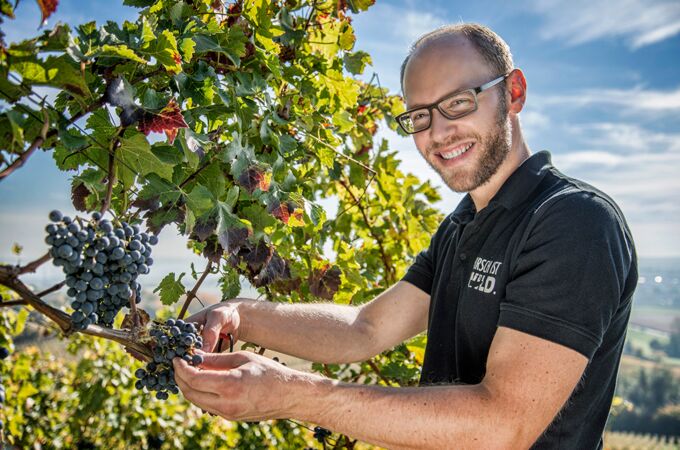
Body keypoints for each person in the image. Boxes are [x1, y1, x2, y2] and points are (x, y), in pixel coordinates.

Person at [172, 23, 638, 449]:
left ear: (513, 93)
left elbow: (501, 426)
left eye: (458, 102)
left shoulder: (576, 223)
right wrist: (238, 315)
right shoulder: (462, 227)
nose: (439, 132)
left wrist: (291, 394)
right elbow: (364, 330)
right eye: (418, 116)